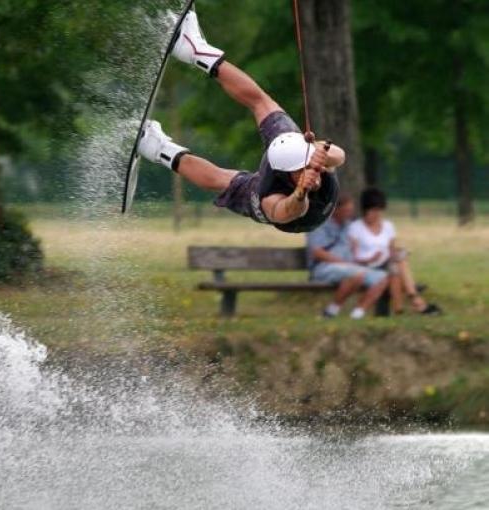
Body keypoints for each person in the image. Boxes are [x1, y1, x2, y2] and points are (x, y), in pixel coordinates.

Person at [137, 10, 347, 233]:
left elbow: (336, 160)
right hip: (285, 178)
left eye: (308, 163)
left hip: (296, 214)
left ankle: (155, 147)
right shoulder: (277, 178)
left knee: (226, 174)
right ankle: (192, 51)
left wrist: (311, 161)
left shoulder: (270, 193)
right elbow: (296, 204)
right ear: (288, 172)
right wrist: (304, 180)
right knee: (257, 112)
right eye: (302, 167)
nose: (311, 169)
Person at [348, 188, 441, 315]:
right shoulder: (355, 228)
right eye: (373, 210)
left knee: (397, 265)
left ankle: (401, 308)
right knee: (398, 266)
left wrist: (398, 253)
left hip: (386, 263)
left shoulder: (388, 226)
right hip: (367, 265)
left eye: (379, 210)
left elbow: (391, 250)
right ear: (365, 210)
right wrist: (370, 259)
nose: (377, 214)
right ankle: (416, 301)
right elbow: (354, 256)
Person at [307, 194, 389, 319]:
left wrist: (369, 259)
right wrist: (342, 263)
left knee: (382, 277)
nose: (350, 214)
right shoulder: (319, 225)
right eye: (347, 210)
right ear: (335, 209)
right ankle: (331, 311)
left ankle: (358, 313)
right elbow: (317, 253)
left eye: (351, 210)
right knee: (356, 274)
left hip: (349, 267)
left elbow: (355, 252)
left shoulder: (350, 226)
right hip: (323, 268)